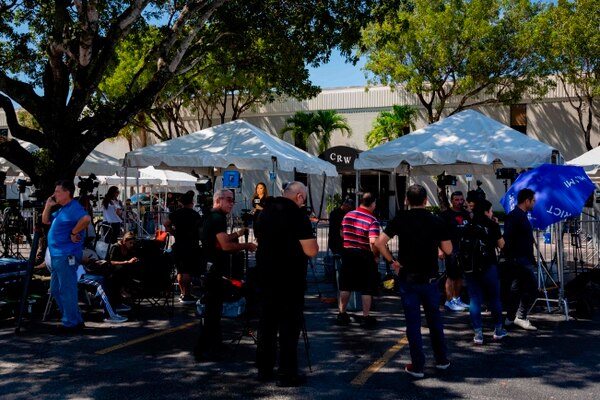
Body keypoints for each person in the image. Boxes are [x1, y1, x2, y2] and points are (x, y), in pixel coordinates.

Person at [375, 184, 452, 378]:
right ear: (426, 200)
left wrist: (392, 261)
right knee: (435, 320)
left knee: (413, 323)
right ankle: (441, 359)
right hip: (430, 278)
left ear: (407, 201)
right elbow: (449, 250)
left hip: (408, 277)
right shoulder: (436, 221)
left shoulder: (401, 219)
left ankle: (418, 365)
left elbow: (379, 242)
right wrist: (436, 247)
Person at [255, 181, 318, 387]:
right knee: (289, 328)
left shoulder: (264, 213)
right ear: (299, 196)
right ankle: (286, 373)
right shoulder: (297, 215)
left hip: (266, 275)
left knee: (267, 325)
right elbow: (311, 250)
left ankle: (264, 370)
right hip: (290, 278)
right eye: (304, 199)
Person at [194, 189, 257, 361]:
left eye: (233, 200)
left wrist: (237, 234)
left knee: (213, 311)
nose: (231, 203)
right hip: (213, 270)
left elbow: (220, 239)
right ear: (218, 200)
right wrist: (247, 246)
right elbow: (225, 246)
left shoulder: (211, 216)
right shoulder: (217, 218)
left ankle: (213, 346)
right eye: (229, 200)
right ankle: (204, 350)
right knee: (212, 312)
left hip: (210, 268)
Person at [42, 179, 92, 333]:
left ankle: (70, 323)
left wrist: (74, 232)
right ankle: (74, 319)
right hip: (58, 255)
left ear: (67, 193)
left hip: (66, 255)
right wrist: (48, 206)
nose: (54, 194)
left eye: (57, 191)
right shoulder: (63, 209)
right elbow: (45, 220)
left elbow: (87, 219)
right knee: (56, 290)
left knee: (66, 289)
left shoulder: (73, 207)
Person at [463, 199, 508, 344]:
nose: (492, 213)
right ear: (486, 211)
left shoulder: (468, 226)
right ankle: (498, 330)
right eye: (490, 210)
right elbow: (502, 245)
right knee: (494, 298)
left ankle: (478, 334)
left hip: (471, 268)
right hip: (489, 265)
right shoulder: (492, 225)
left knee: (474, 300)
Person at [336, 192, 380, 328]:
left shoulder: (347, 215)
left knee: (345, 285)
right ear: (372, 204)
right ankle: (366, 316)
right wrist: (376, 255)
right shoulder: (372, 220)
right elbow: (373, 242)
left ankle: (342, 313)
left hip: (348, 253)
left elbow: (342, 233)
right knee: (367, 287)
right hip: (365, 255)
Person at [503, 188, 538, 331]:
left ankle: (511, 317)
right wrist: (514, 257)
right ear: (527, 200)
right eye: (533, 201)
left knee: (517, 289)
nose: (534, 204)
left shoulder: (522, 215)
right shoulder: (515, 216)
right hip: (519, 259)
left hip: (523, 258)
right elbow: (508, 238)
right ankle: (520, 316)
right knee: (530, 287)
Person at [163, 190, 203, 304]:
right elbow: (200, 230)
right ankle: (186, 294)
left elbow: (166, 224)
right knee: (187, 271)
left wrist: (174, 233)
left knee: (180, 270)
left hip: (179, 243)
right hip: (191, 244)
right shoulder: (195, 214)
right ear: (192, 202)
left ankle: (182, 293)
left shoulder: (177, 213)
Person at [440, 191, 471, 311]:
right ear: (451, 201)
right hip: (450, 249)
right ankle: (449, 301)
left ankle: (457, 298)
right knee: (451, 276)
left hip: (464, 250)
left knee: (459, 276)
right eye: (456, 200)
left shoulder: (466, 214)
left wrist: (469, 210)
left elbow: (473, 221)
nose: (459, 202)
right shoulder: (445, 215)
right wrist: (440, 250)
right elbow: (438, 234)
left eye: (461, 200)